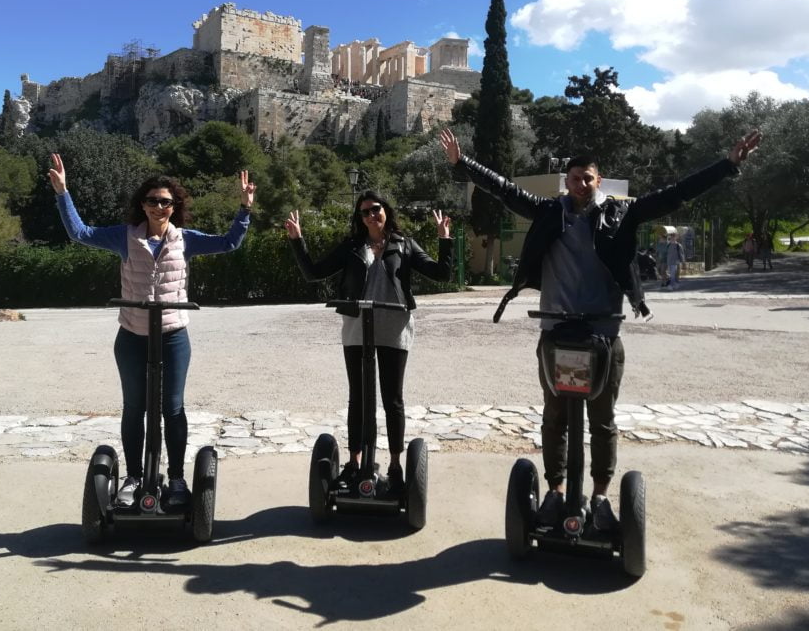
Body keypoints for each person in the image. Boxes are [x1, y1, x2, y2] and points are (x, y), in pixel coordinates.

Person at [439, 126, 760, 530]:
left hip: (603, 334)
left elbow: (675, 193)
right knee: (554, 416)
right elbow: (504, 190)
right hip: (555, 331)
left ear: (598, 180)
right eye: (574, 178)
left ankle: (602, 496)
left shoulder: (621, 213)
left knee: (603, 419)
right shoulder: (548, 211)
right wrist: (461, 162)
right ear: (566, 181)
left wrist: (727, 166)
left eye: (588, 178)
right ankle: (555, 493)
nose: (581, 184)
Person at [48, 154, 254, 508]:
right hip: (132, 336)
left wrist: (245, 209)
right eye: (151, 201)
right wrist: (63, 192)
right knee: (134, 408)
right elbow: (79, 233)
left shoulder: (185, 239)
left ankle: (175, 479)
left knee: (172, 409)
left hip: (173, 335)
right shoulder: (124, 238)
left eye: (165, 201)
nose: (158, 207)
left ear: (175, 207)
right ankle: (132, 477)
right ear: (142, 206)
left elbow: (228, 242)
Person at [285, 192, 453, 494]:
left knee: (393, 399)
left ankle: (395, 464)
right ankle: (355, 461)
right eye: (364, 212)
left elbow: (442, 274)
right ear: (359, 218)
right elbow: (313, 273)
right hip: (357, 325)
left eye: (375, 209)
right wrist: (298, 241)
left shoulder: (405, 244)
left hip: (393, 324)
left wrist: (445, 239)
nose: (370, 215)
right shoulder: (352, 247)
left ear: (385, 210)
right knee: (359, 397)